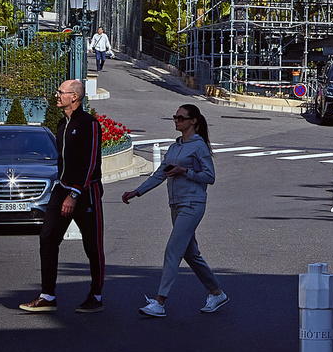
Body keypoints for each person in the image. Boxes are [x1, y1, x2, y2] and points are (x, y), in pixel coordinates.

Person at [122, 103, 228, 317]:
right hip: (176, 204)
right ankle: (216, 293)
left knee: (173, 249)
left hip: (193, 203)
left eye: (180, 118)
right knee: (190, 253)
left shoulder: (199, 146)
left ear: (193, 121)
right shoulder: (174, 147)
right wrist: (137, 191)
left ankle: (160, 302)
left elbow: (210, 177)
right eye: (175, 117)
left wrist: (185, 171)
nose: (176, 121)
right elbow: (159, 174)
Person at [20, 80, 106, 313]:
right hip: (62, 188)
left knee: (93, 245)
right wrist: (62, 187)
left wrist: (75, 193)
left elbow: (91, 162)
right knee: (47, 238)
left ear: (74, 97)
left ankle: (95, 296)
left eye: (60, 92)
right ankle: (47, 295)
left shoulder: (89, 124)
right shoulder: (62, 123)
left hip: (86, 191)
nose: (56, 95)